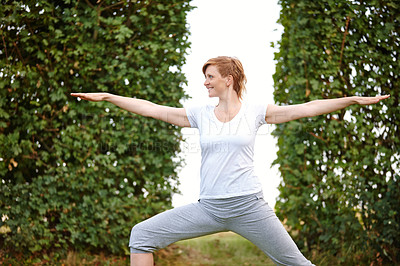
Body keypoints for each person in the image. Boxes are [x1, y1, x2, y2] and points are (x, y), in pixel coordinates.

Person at [71, 56, 389, 266]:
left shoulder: (256, 111)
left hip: (249, 207)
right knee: (141, 236)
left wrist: (350, 99)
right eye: (205, 77)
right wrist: (110, 97)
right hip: (208, 207)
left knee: (297, 264)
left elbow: (306, 107)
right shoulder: (199, 114)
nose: (205, 82)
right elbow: (153, 108)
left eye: (210, 77)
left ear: (229, 79)